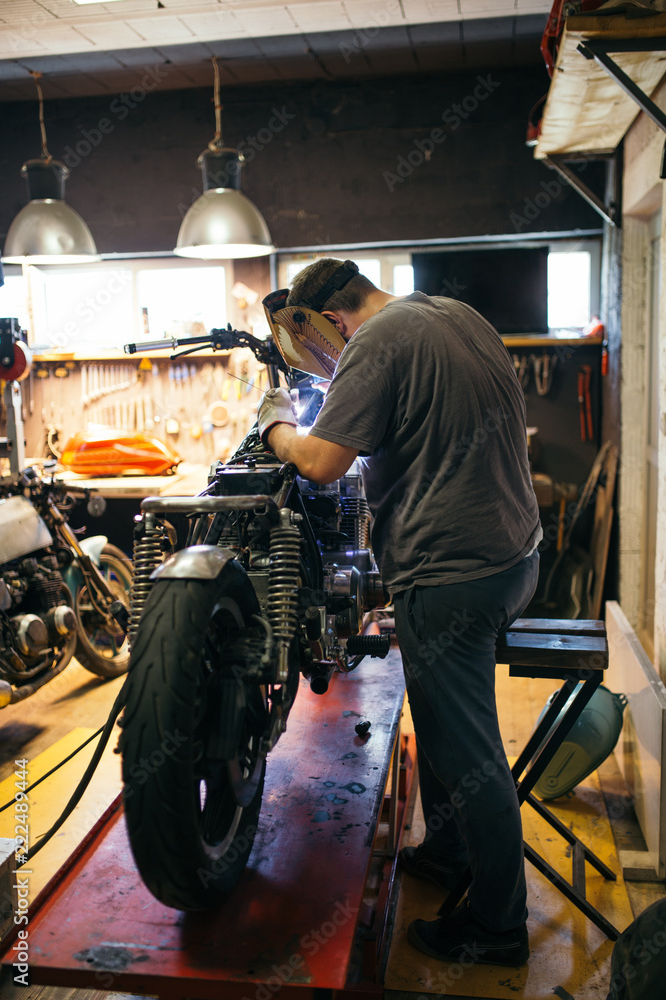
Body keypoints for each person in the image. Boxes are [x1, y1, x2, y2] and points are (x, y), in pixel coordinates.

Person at [257, 258, 542, 967]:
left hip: (453, 576)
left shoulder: (376, 340)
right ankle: (448, 851)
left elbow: (321, 462)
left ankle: (498, 925)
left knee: (467, 749)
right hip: (513, 558)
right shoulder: (451, 313)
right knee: (444, 717)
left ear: (326, 320)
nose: (328, 357)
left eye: (320, 344)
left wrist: (277, 426)